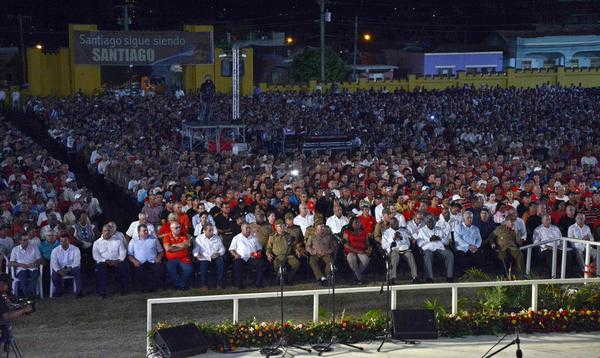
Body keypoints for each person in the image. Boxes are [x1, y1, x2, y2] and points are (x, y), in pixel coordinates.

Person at [92, 224, 129, 298]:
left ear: (111, 232)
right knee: (100, 268)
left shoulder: (118, 241)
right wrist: (105, 261)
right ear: (102, 232)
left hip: (116, 262)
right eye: (105, 231)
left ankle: (124, 289)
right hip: (104, 263)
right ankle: (102, 292)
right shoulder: (97, 243)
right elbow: (96, 256)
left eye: (109, 231)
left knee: (124, 266)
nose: (107, 232)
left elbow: (123, 252)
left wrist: (118, 260)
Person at [417, 215, 454, 283]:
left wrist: (440, 239)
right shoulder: (421, 230)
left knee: (449, 254)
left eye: (432, 222)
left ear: (434, 222)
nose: (431, 223)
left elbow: (447, 242)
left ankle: (449, 277)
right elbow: (419, 243)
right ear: (426, 222)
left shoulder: (439, 229)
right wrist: (429, 239)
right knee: (428, 255)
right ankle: (429, 278)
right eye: (429, 222)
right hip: (428, 249)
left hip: (439, 249)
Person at [381, 218, 418, 284]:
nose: (396, 224)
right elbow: (383, 246)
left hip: (404, 249)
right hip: (394, 250)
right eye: (394, 223)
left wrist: (402, 239)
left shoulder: (403, 231)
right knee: (395, 256)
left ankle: (415, 277)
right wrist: (393, 240)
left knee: (410, 255)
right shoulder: (386, 233)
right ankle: (392, 278)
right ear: (391, 224)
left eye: (397, 223)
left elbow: (408, 243)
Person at [128, 224, 163, 293]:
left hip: (152, 262)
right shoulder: (133, 241)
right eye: (144, 231)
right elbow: (129, 255)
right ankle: (142, 290)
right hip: (139, 263)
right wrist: (134, 261)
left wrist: (159, 258)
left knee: (157, 269)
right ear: (139, 232)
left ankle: (154, 289)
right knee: (139, 272)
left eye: (147, 230)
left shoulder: (153, 239)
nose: (146, 232)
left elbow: (161, 251)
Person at [229, 224, 266, 289]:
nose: (248, 230)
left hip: (252, 258)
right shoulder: (236, 238)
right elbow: (231, 249)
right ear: (242, 229)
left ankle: (258, 284)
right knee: (237, 264)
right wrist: (235, 255)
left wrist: (257, 255)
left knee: (260, 263)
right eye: (246, 228)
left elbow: (259, 249)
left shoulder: (254, 238)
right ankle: (239, 285)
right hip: (240, 258)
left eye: (249, 228)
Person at [305, 217, 338, 286]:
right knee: (312, 261)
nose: (322, 229)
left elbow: (334, 246)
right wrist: (313, 251)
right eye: (320, 228)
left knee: (330, 262)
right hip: (315, 254)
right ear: (316, 229)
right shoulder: (312, 236)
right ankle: (321, 277)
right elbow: (307, 246)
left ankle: (327, 276)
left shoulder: (329, 236)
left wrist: (328, 251)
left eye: (323, 227)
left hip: (326, 253)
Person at [266, 220, 301, 285]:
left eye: (283, 226)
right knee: (277, 265)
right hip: (278, 256)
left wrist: (297, 251)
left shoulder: (288, 236)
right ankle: (279, 278)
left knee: (296, 264)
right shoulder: (272, 236)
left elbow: (294, 246)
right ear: (276, 227)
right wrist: (268, 254)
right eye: (280, 226)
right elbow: (268, 248)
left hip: (288, 255)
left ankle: (289, 278)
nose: (282, 227)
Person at [192, 224, 226, 290]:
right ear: (204, 231)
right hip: (204, 257)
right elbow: (195, 250)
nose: (212, 232)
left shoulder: (217, 238)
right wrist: (197, 255)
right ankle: (203, 285)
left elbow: (222, 249)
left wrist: (218, 254)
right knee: (203, 265)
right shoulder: (199, 238)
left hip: (215, 257)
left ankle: (219, 284)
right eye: (210, 230)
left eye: (212, 230)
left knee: (221, 263)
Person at [163, 222, 193, 290]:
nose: (179, 229)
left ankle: (178, 285)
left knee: (188, 269)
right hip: (172, 259)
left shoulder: (183, 235)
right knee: (171, 269)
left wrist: (174, 245)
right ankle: (181, 285)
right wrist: (182, 246)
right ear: (171, 229)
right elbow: (168, 248)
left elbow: (187, 244)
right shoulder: (167, 236)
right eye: (176, 228)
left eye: (179, 227)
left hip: (184, 258)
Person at [342, 217, 371, 285]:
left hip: (361, 250)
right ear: (351, 224)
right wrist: (356, 251)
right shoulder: (347, 232)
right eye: (356, 222)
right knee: (352, 259)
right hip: (350, 251)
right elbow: (345, 244)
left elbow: (367, 243)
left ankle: (356, 277)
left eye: (359, 222)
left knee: (366, 260)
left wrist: (369, 248)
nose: (358, 224)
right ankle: (359, 278)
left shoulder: (364, 232)